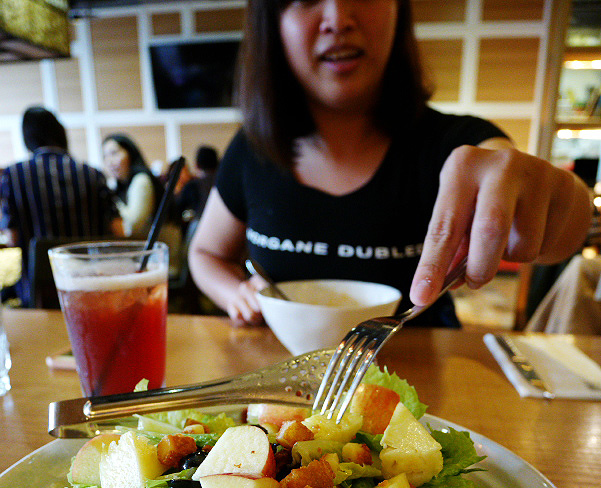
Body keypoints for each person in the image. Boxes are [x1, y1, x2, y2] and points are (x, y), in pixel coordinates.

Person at [188, 0, 592, 327]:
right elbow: (205, 253)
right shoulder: (251, 148)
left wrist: (560, 200)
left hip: (424, 388)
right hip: (285, 385)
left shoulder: (453, 144)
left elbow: (565, 231)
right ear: (272, 24)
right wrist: (234, 294)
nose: (338, 18)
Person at [0, 106, 122, 307]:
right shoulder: (93, 174)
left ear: (27, 138)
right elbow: (117, 230)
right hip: (92, 287)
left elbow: (12, 238)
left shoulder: (13, 175)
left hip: (37, 291)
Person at [103, 133, 183, 272]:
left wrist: (111, 200)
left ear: (130, 153)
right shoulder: (123, 186)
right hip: (149, 258)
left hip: (163, 262)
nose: (109, 161)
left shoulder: (141, 180)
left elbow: (132, 226)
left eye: (114, 153)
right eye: (105, 156)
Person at [174, 145, 220, 230]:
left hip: (201, 227)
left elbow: (177, 210)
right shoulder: (224, 182)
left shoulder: (193, 186)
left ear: (196, 165)